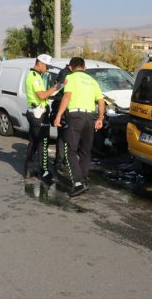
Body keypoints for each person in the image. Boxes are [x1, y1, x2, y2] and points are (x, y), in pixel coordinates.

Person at [53, 57, 105, 197]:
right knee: (85, 151)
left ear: (71, 67)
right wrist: (100, 118)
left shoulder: (71, 78)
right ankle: (83, 179)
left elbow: (66, 97)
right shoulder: (93, 81)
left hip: (75, 117)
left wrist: (58, 116)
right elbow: (101, 101)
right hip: (90, 118)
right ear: (84, 67)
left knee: (70, 150)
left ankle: (77, 183)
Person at [24, 54, 61, 181]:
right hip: (38, 113)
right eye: (46, 66)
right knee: (43, 142)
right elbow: (41, 95)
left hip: (35, 112)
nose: (48, 69)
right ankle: (43, 171)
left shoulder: (35, 76)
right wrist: (56, 87)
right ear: (39, 63)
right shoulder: (35, 77)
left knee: (34, 142)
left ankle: (28, 169)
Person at [49, 61, 73, 171]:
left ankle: (63, 160)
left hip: (64, 106)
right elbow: (62, 86)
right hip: (61, 105)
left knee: (65, 136)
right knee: (63, 136)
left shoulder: (67, 72)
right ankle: (59, 161)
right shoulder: (65, 73)